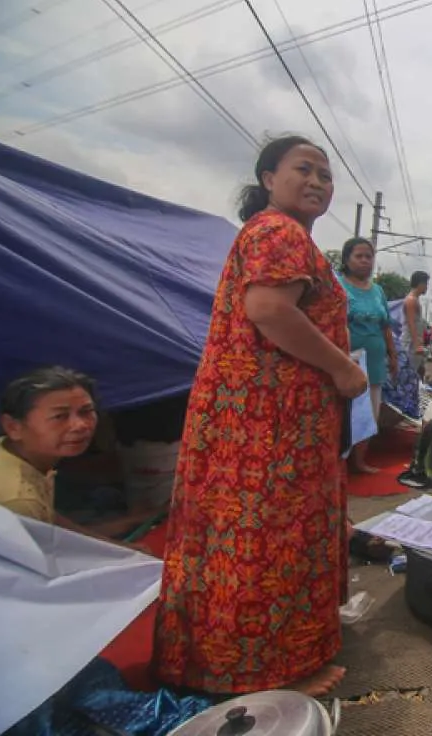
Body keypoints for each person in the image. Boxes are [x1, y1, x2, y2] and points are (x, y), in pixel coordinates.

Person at [152, 135, 367, 698]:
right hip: (269, 421)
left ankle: (226, 661)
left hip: (256, 416)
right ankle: (265, 672)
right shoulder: (280, 231)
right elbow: (269, 310)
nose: (319, 181)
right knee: (269, 537)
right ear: (269, 178)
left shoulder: (274, 233)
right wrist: (343, 369)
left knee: (237, 536)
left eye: (326, 174)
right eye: (305, 169)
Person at [0, 366, 152, 546]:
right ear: (13, 427)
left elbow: (51, 522)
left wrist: (123, 532)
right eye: (60, 417)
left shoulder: (7, 448)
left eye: (86, 412)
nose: (80, 425)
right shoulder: (16, 499)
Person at [336, 236, 398, 474]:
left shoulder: (378, 291)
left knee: (369, 412)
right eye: (359, 256)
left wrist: (392, 355)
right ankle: (338, 463)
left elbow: (385, 326)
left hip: (373, 361)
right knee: (343, 412)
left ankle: (360, 461)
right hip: (346, 359)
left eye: (369, 256)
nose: (365, 261)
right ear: (347, 259)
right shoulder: (338, 286)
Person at [383, 270, 429, 423]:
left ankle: (404, 410)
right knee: (406, 377)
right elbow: (410, 323)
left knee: (413, 376)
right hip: (409, 344)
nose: (427, 287)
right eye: (426, 283)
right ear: (421, 283)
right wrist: (417, 345)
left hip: (412, 343)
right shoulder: (411, 301)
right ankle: (400, 410)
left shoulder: (414, 299)